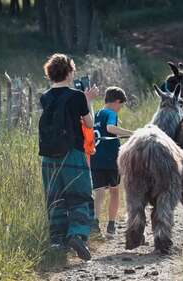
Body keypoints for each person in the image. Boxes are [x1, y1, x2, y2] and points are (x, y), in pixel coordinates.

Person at [39, 53, 98, 260]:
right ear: (70, 71)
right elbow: (89, 124)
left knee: (55, 198)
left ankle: (57, 241)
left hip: (48, 157)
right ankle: (77, 236)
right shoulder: (77, 96)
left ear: (51, 73)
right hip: (72, 154)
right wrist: (89, 101)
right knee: (80, 196)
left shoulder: (44, 97)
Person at [90, 87, 133, 237]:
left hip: (95, 158)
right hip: (111, 159)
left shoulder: (95, 114)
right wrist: (132, 134)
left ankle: (95, 223)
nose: (120, 109)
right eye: (121, 105)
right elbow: (110, 128)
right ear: (116, 102)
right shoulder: (111, 113)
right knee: (115, 191)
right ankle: (111, 225)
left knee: (99, 191)